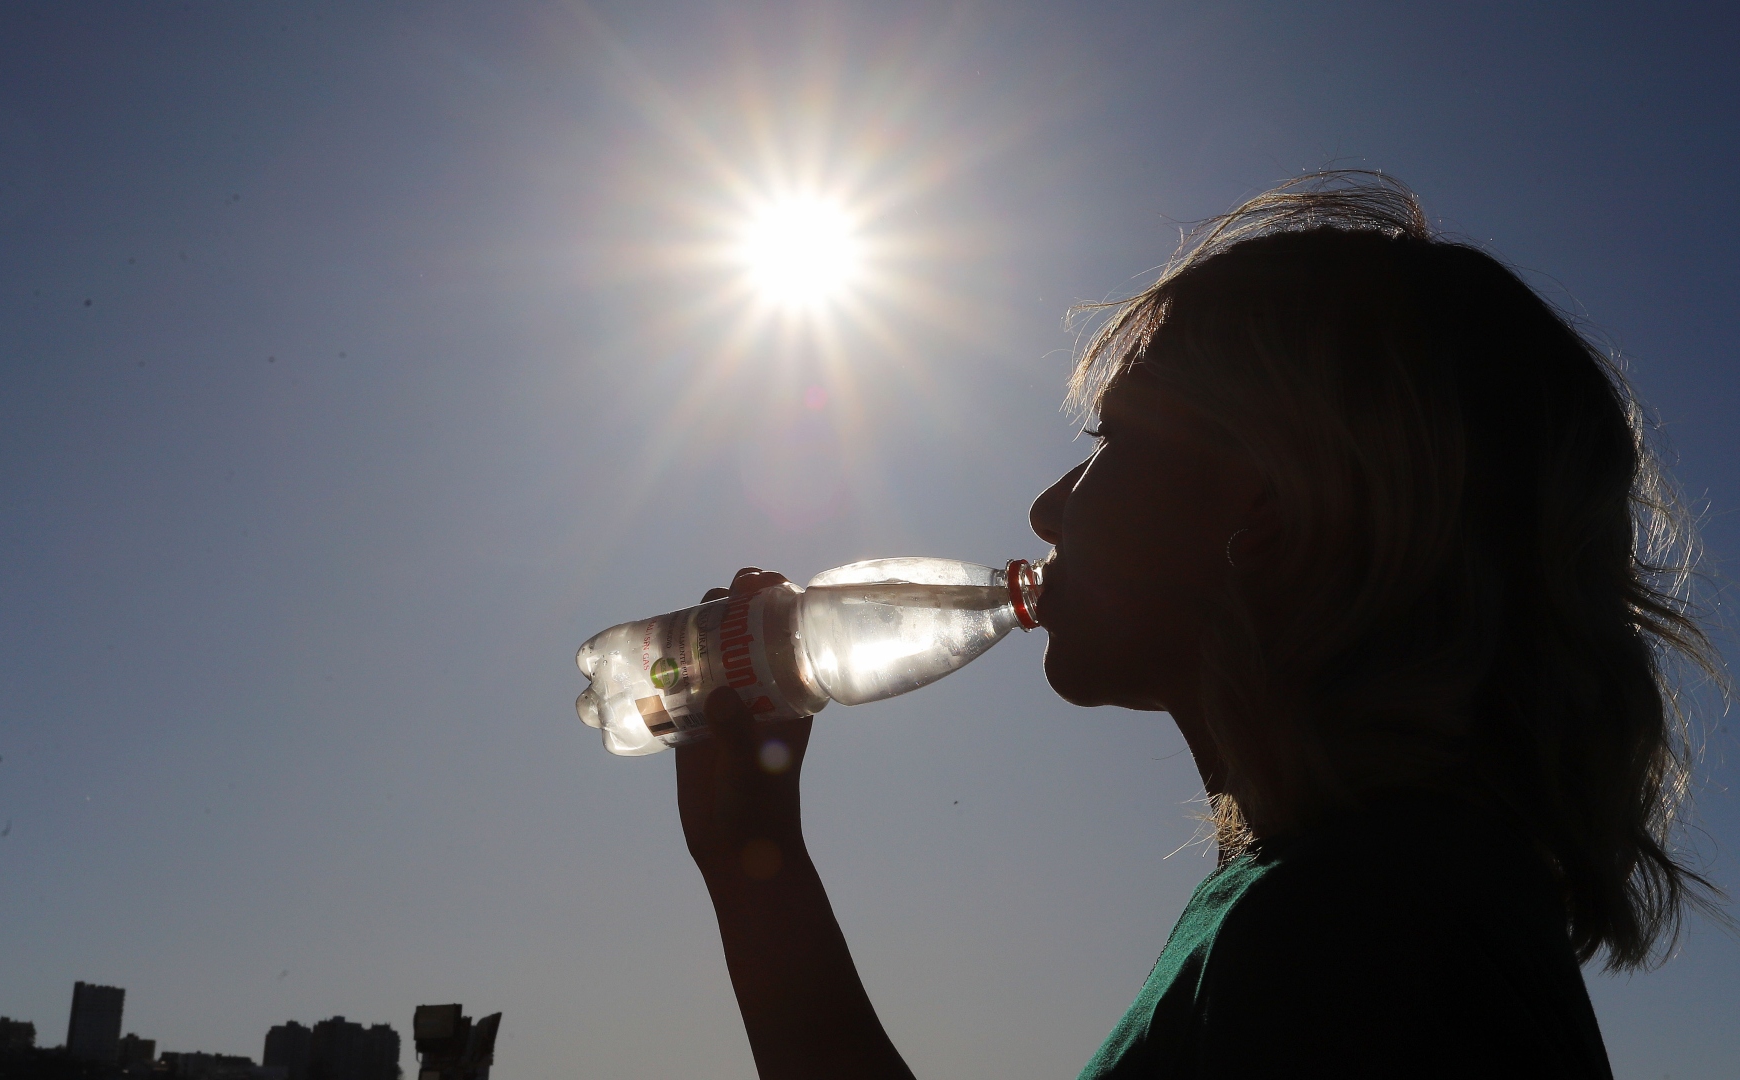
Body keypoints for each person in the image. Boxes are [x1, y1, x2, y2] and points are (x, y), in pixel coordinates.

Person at [673, 173, 1723, 1078]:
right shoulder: (1331, 904)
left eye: (1113, 438)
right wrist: (755, 864)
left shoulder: (1363, 942)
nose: (1047, 508)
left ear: (1263, 504)